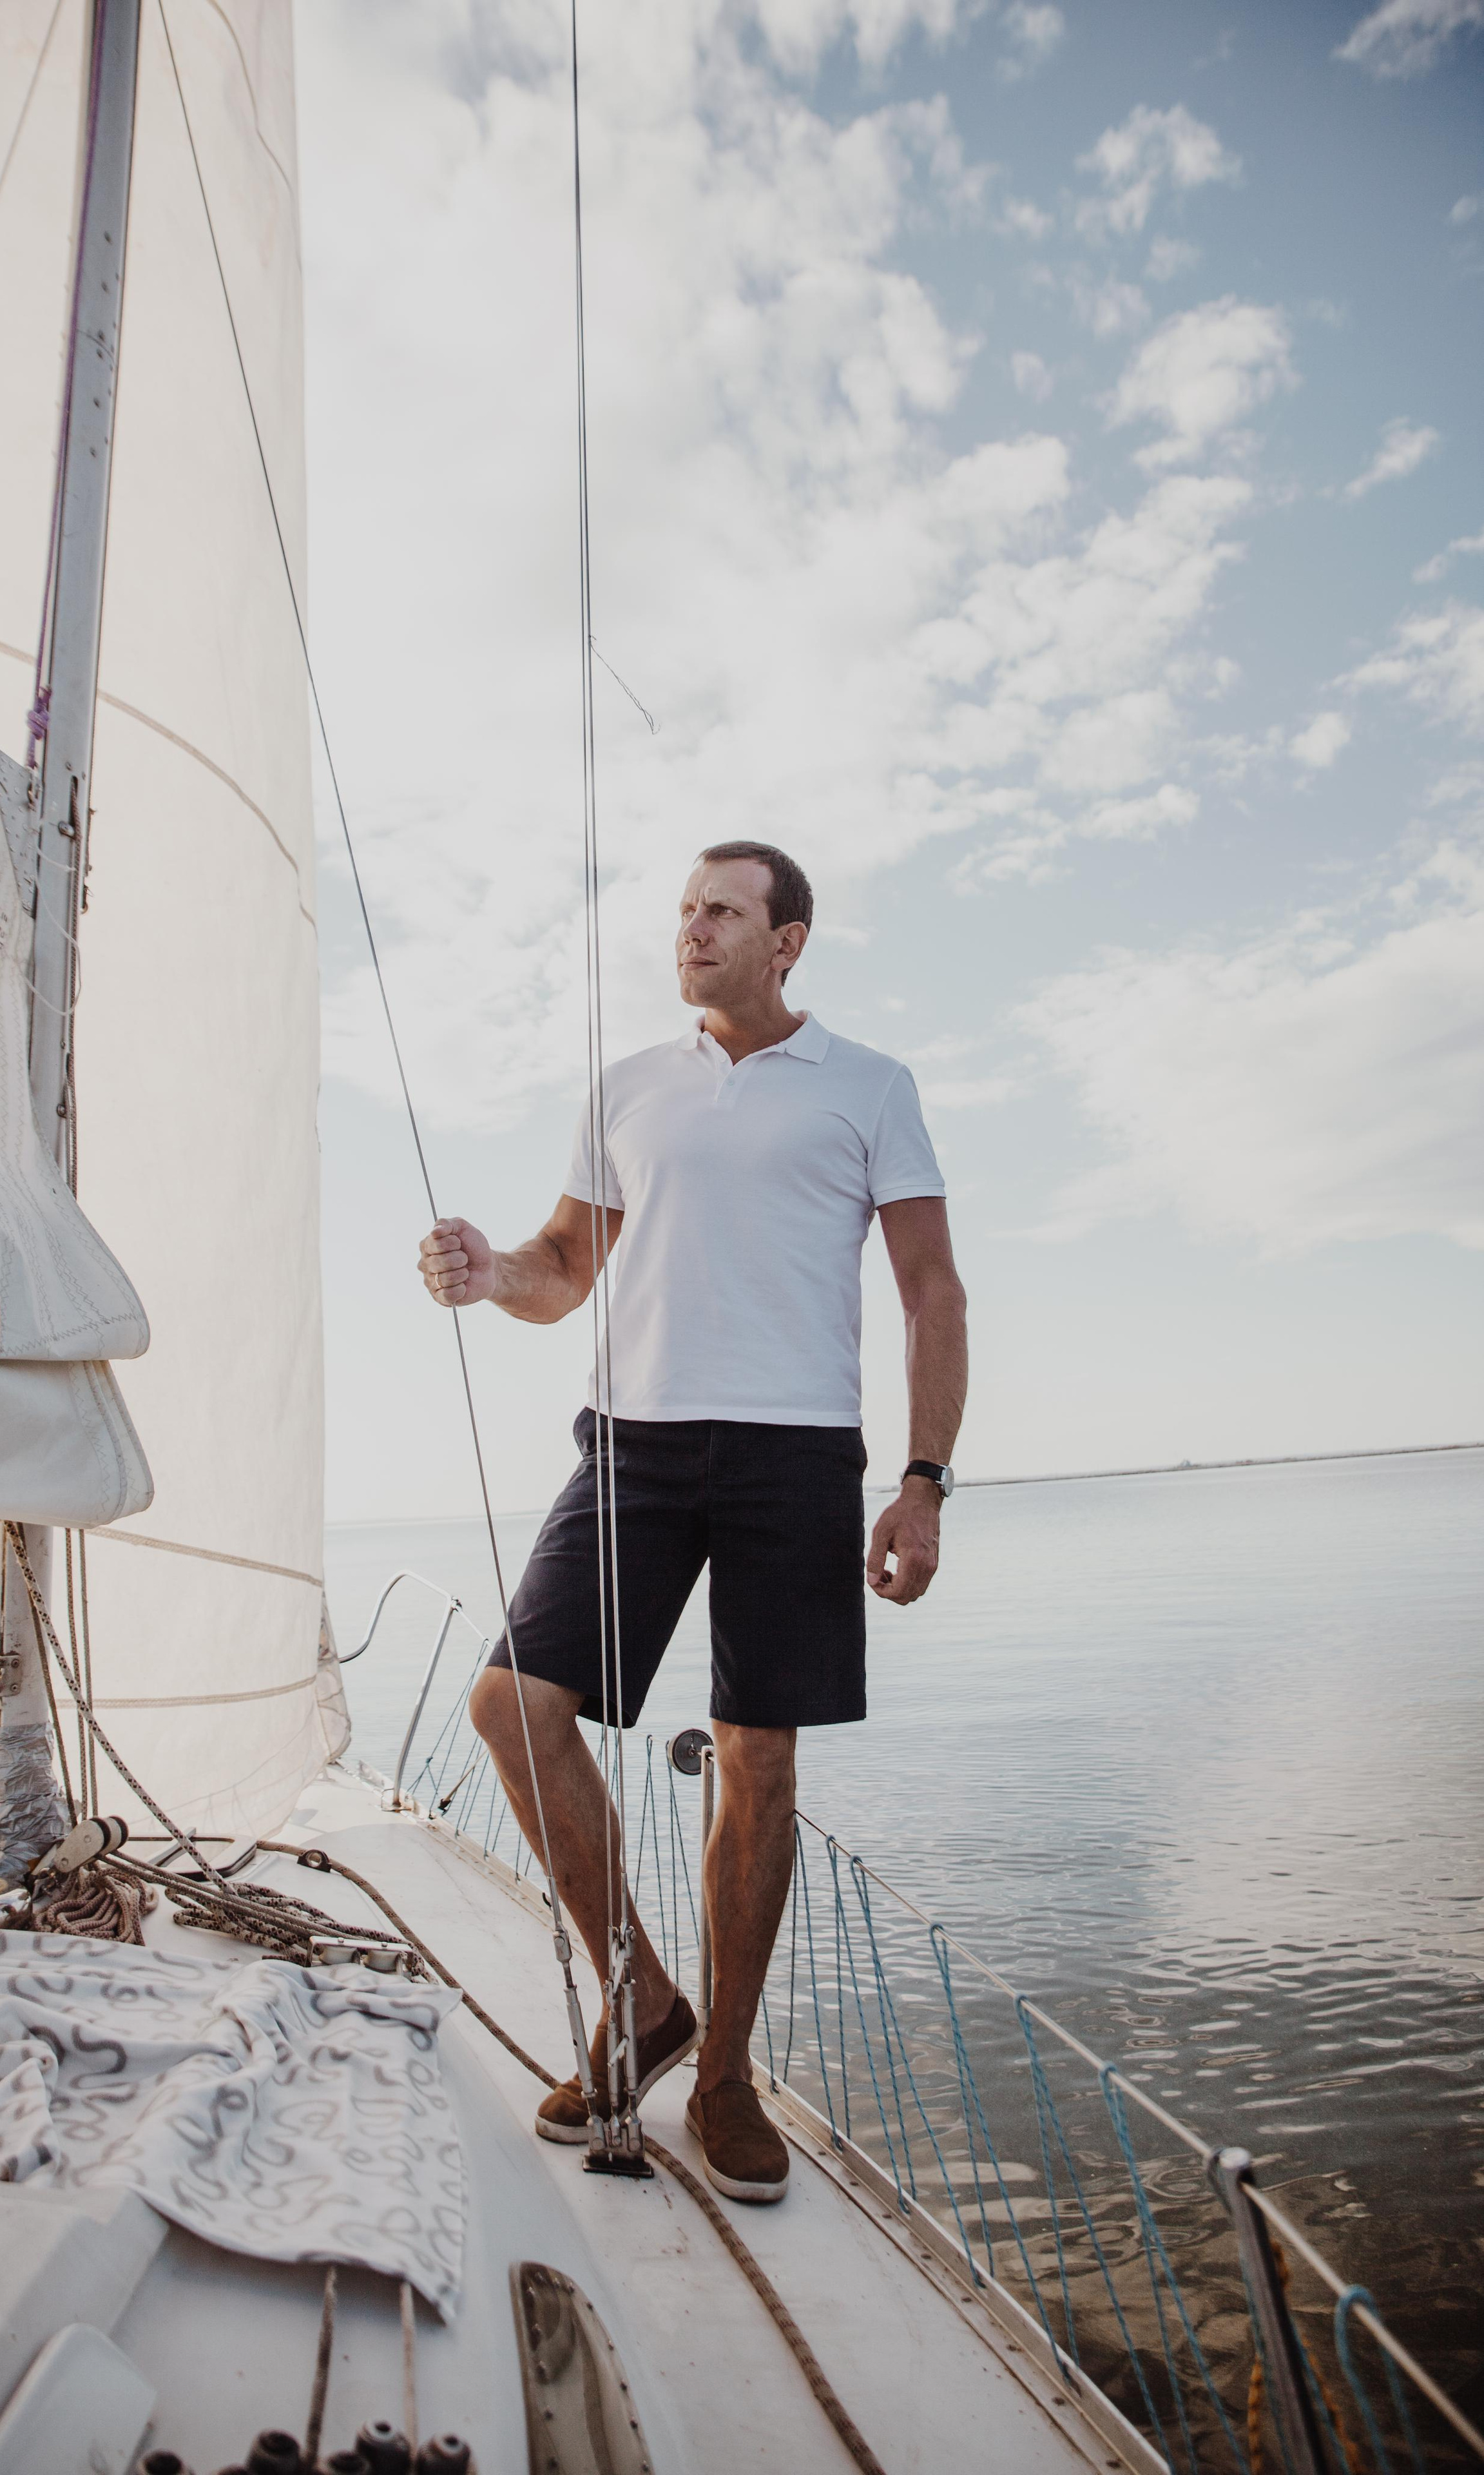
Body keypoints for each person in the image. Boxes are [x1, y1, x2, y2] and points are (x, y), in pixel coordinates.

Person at [416, 840, 967, 2204]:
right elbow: (563, 1270)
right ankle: (642, 1997)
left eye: (721, 911)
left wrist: (920, 1479)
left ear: (786, 943)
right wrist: (493, 1274)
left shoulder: (868, 1089)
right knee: (510, 1705)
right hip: (635, 1449)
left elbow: (930, 1291)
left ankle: (721, 2074)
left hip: (794, 1456)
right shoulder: (626, 1090)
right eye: (682, 910)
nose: (691, 929)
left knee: (756, 1763)